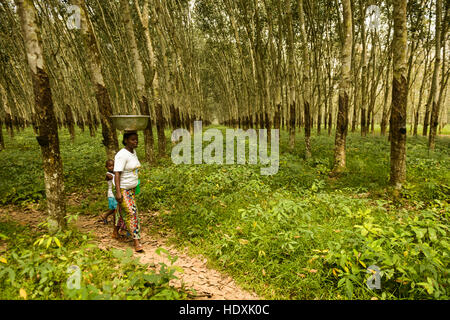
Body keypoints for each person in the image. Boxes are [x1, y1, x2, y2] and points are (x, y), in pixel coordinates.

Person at [113, 131, 144, 252]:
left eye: (136, 139)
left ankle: (115, 232)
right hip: (123, 189)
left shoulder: (133, 152)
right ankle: (136, 241)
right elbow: (117, 173)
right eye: (132, 139)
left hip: (131, 189)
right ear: (125, 140)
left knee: (121, 210)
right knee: (132, 212)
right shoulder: (122, 155)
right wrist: (119, 193)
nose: (135, 141)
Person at [99, 160, 117, 224]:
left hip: (115, 193)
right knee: (116, 208)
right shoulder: (108, 174)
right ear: (106, 167)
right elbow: (112, 177)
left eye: (113, 165)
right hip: (112, 193)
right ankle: (116, 223)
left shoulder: (115, 173)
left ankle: (105, 215)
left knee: (114, 208)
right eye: (110, 166)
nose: (112, 167)